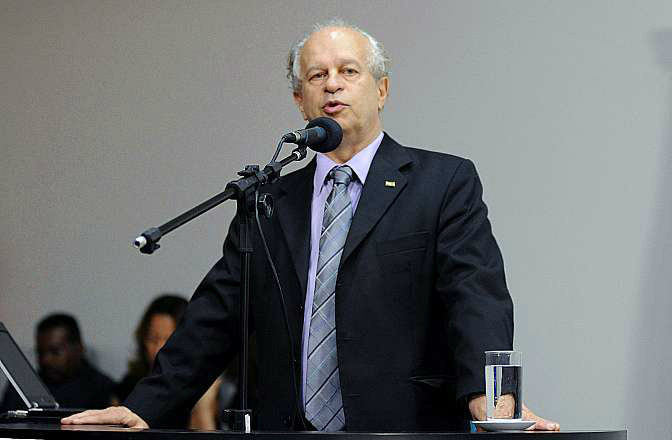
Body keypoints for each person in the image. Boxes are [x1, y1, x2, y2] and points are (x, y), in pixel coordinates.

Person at [63, 20, 559, 432]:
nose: (332, 84)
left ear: (381, 89)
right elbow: (216, 312)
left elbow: (475, 295)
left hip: (403, 427)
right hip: (286, 428)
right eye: (317, 75)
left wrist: (491, 396)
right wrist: (143, 406)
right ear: (301, 101)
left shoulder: (442, 182)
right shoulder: (268, 199)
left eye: (349, 71)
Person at [113, 294, 223, 430]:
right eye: (152, 339)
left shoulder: (213, 388)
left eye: (168, 339)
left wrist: (203, 408)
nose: (158, 348)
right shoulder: (130, 385)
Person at [0, 313, 115, 411]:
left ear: (78, 348)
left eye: (55, 351)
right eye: (40, 352)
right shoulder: (23, 386)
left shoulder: (102, 388)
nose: (46, 360)